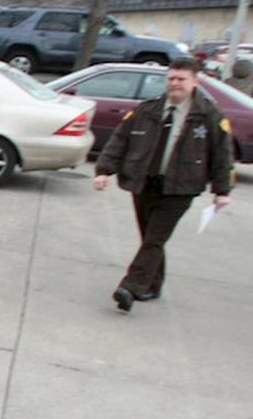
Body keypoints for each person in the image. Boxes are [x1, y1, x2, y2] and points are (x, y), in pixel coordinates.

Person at [94, 58, 233, 311]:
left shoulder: (209, 114)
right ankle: (153, 284)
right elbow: (120, 140)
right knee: (150, 238)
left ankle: (131, 287)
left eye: (181, 79)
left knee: (154, 239)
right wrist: (104, 170)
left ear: (194, 82)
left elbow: (222, 154)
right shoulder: (147, 109)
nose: (175, 84)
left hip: (181, 188)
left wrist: (222, 190)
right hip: (144, 183)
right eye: (171, 78)